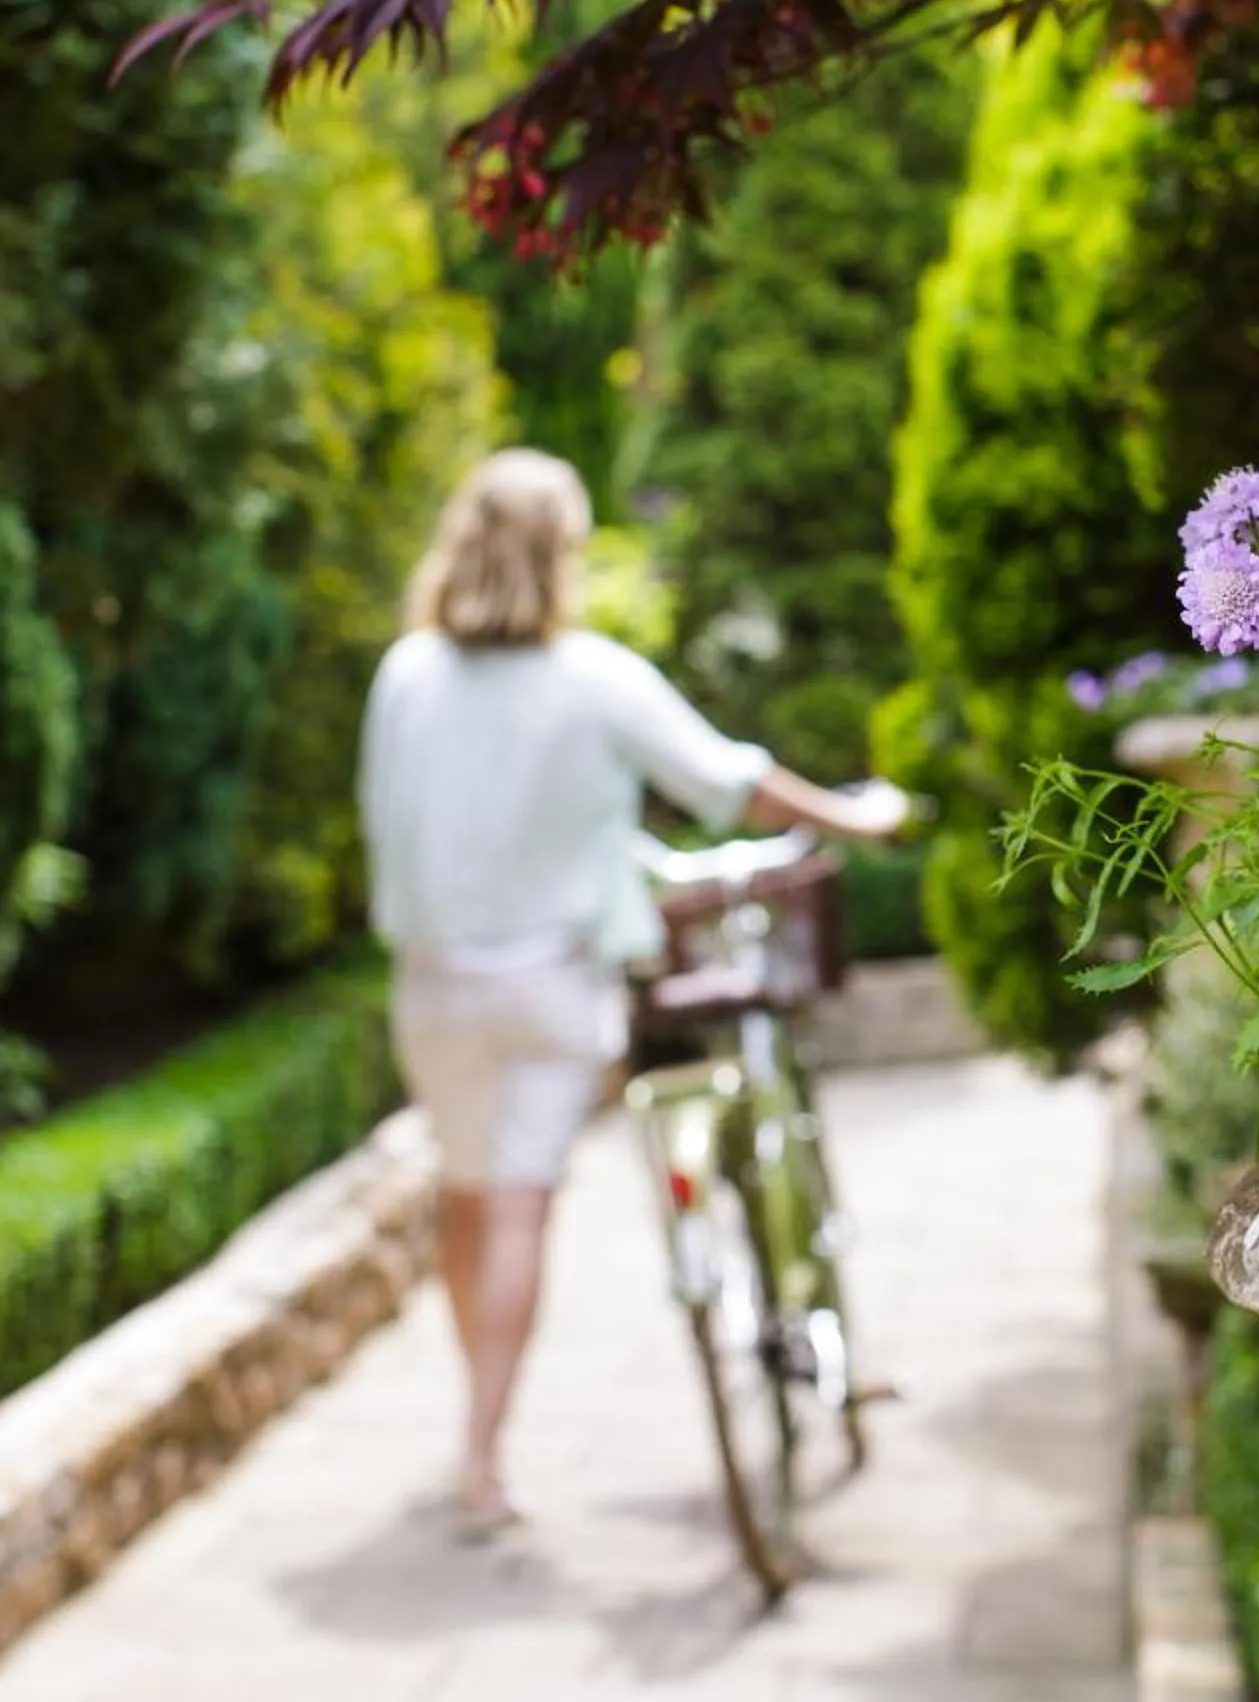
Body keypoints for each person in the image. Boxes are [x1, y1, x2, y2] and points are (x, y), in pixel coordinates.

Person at [357, 448, 907, 1540]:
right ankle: (480, 1457)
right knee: (519, 1205)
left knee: (467, 1197)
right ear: (562, 554)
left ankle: (479, 1428)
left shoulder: (407, 674)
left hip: (432, 984)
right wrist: (857, 816)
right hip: (549, 985)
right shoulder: (590, 676)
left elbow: (387, 821)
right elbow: (733, 781)